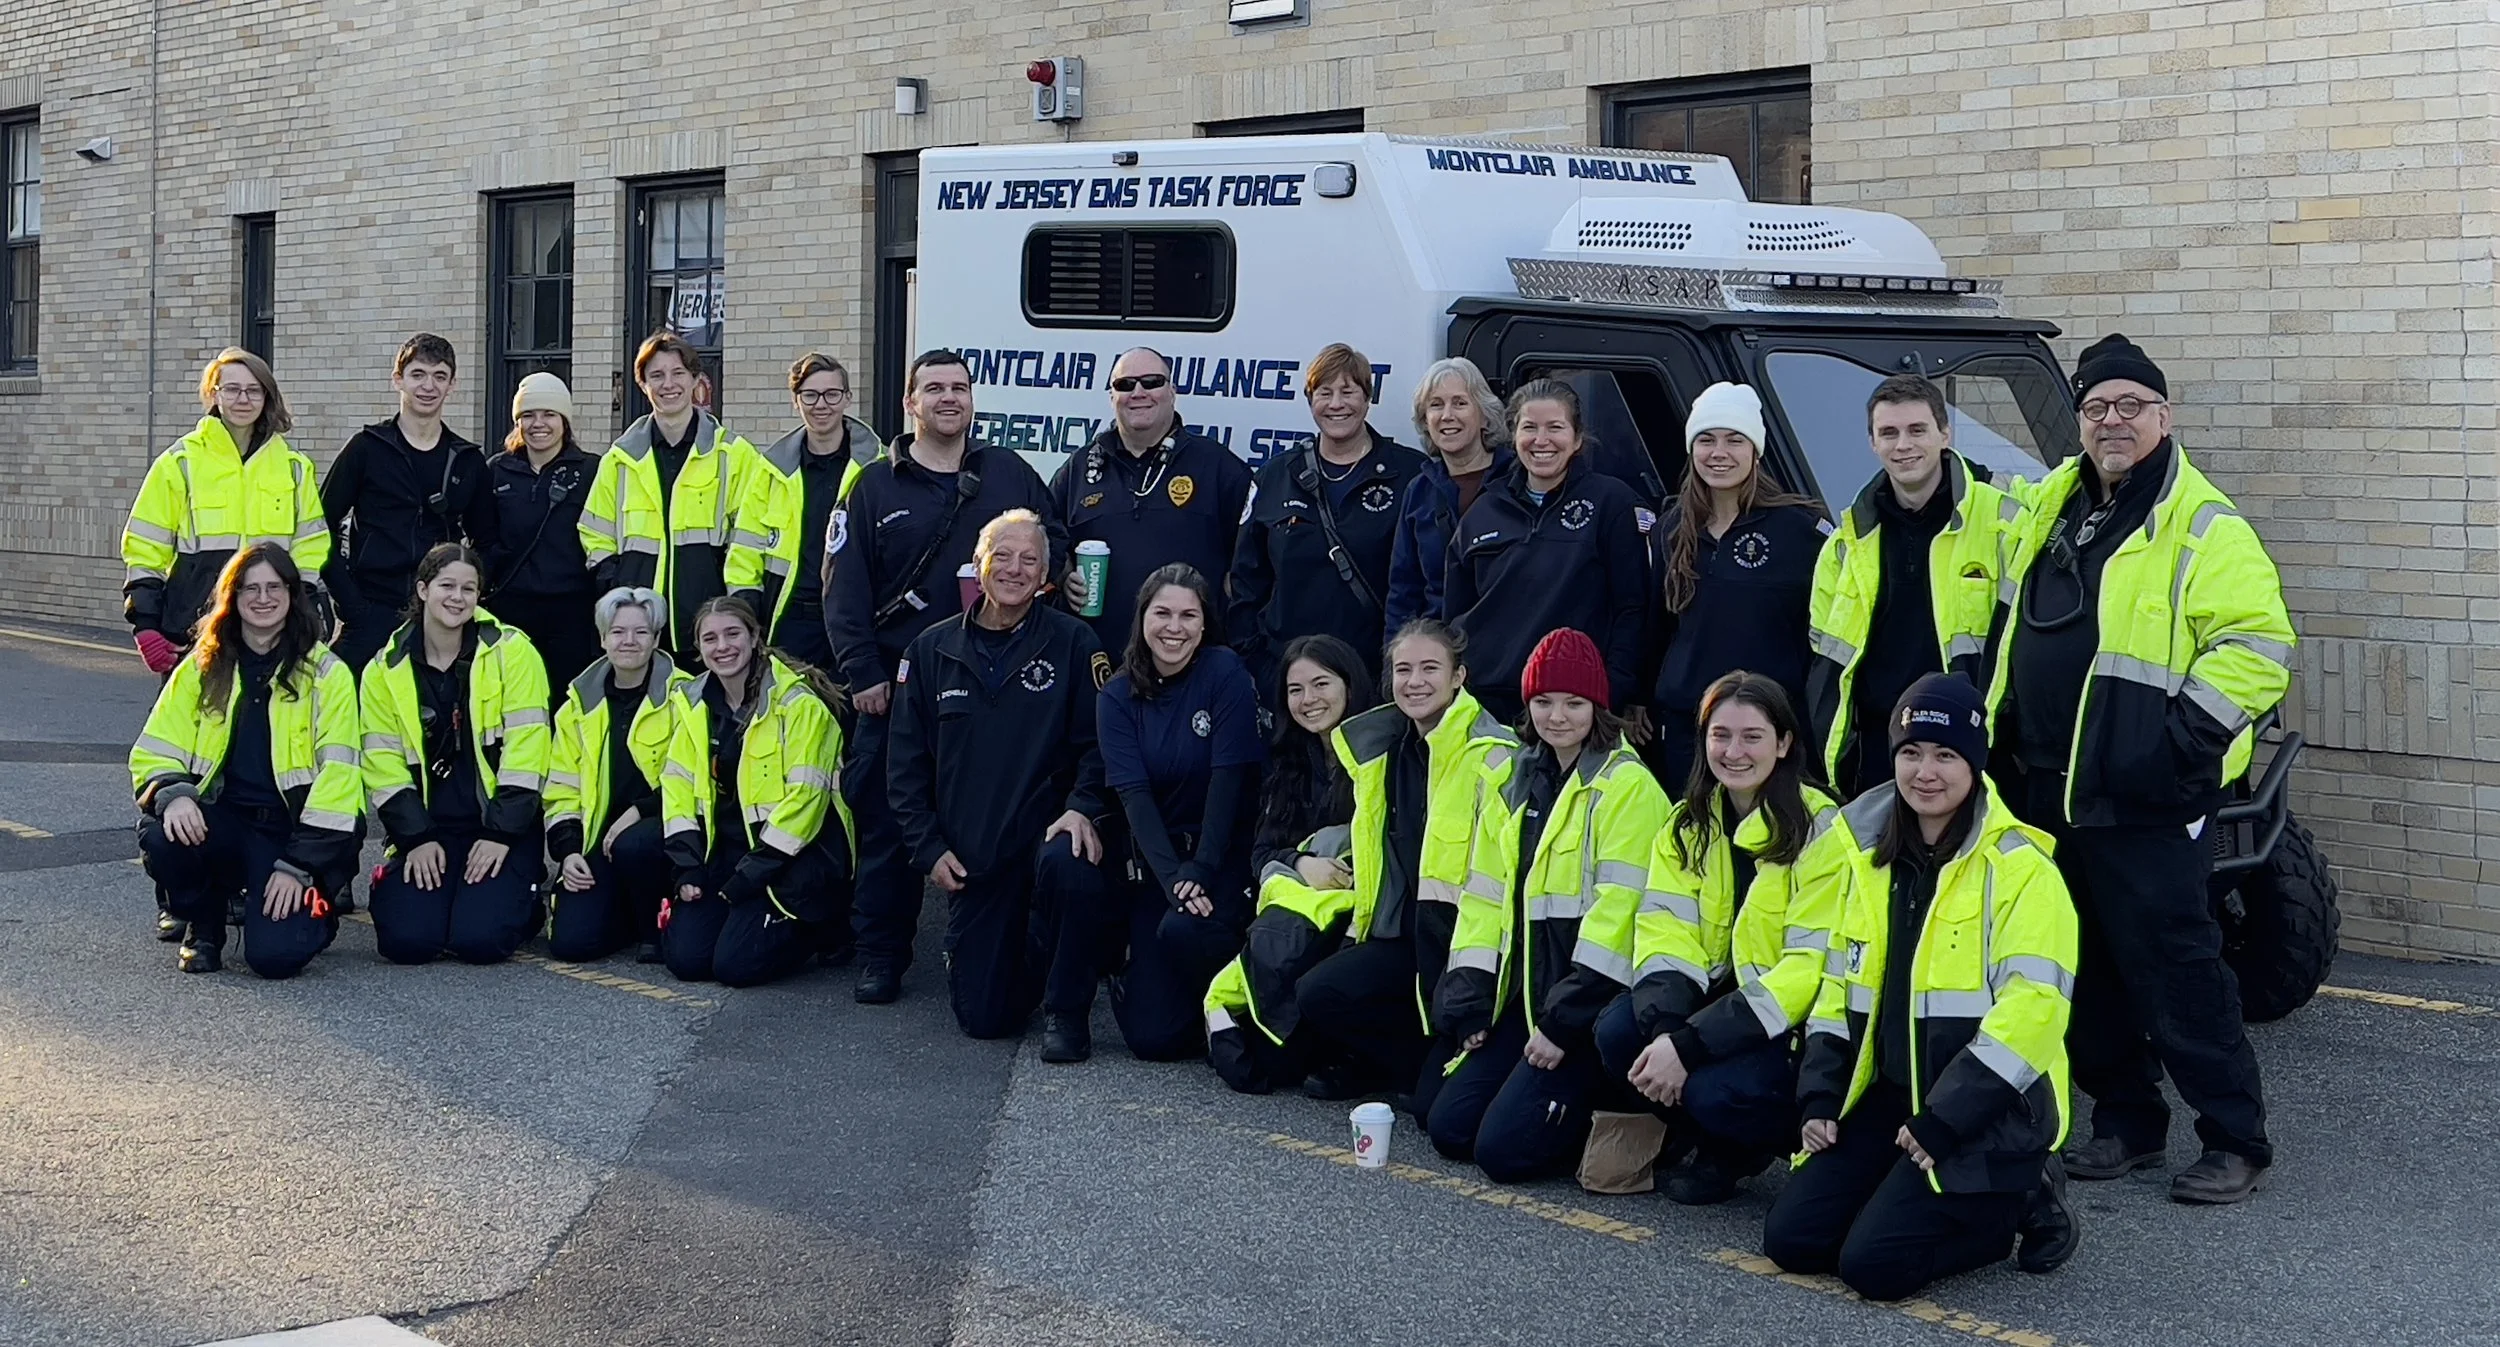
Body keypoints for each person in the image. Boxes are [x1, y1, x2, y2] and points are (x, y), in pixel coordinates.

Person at [1988, 334, 2296, 1205]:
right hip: (2045, 785)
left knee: (2176, 967)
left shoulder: (2202, 521)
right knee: (2081, 963)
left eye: (2131, 405)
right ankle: (2126, 1121)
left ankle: (2235, 1137)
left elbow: (2257, 647)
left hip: (2145, 794)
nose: (2112, 421)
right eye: (2095, 407)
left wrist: (2173, 747)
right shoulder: (2051, 502)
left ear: (2164, 414)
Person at [1763, 674, 2080, 1302]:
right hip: (1891, 1098)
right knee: (1792, 1242)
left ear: (1975, 764)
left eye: (1945, 755)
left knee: (1873, 1269)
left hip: (1980, 1112)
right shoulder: (1869, 859)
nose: (1925, 772)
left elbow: (2033, 1012)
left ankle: (2018, 1201)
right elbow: (1837, 989)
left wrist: (1945, 1120)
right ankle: (1903, 1193)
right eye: (1910, 752)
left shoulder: (2022, 871)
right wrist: (1820, 1096)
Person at [828, 350, 1061, 1006]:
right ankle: (881, 954)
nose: (949, 397)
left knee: (999, 816)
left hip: (995, 686)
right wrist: (863, 672)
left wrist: (1054, 582)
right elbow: (843, 589)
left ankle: (997, 942)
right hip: (899, 685)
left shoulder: (1008, 472)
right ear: (911, 402)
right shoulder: (872, 487)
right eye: (934, 388)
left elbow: (1055, 540)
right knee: (887, 821)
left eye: (959, 387)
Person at [1204, 620, 1515, 1108]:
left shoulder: (1492, 755)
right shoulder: (1383, 751)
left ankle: (1423, 1060)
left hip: (1462, 947)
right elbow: (1277, 852)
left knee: (1441, 1121)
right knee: (1314, 999)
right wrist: (1302, 865)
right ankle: (1395, 1063)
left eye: (1430, 669)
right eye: (1403, 670)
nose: (1414, 681)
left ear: (1459, 676)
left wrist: (1473, 991)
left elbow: (1496, 887)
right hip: (1395, 932)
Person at [1429, 628, 1668, 1182]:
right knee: (1445, 1127)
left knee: (1500, 1155)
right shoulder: (1514, 779)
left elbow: (1619, 921)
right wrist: (1471, 1002)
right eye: (1543, 701)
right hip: (1526, 999)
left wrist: (1562, 1026)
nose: (1557, 717)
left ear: (1598, 707)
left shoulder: (1629, 787)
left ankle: (1615, 1108)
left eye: (1574, 703)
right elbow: (1483, 899)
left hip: (1587, 1009)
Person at [1592, 671, 1839, 1204]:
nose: (1733, 751)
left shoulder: (1822, 829)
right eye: (1720, 735)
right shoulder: (1689, 823)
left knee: (1714, 1089)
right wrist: (1666, 1031)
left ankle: (1734, 1148)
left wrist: (1688, 1046)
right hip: (1716, 1003)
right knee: (1619, 1032)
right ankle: (1697, 1128)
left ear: (1784, 743)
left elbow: (1806, 971)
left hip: (1789, 1025)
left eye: (1752, 737)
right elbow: (1664, 929)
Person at [123, 349, 331, 946]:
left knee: (252, 752)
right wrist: (145, 624)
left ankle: (241, 883)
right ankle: (180, 900)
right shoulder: (180, 464)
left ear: (267, 398)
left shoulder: (293, 469)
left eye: (253, 390)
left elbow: (310, 551)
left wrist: (312, 613)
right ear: (212, 394)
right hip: (196, 636)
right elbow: (146, 547)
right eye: (231, 388)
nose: (243, 399)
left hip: (272, 631)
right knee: (188, 759)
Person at [887, 509, 1112, 1052]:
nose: (1014, 569)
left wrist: (1082, 806)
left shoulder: (1076, 644)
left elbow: (1101, 748)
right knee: (984, 1017)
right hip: (976, 861)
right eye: (1002, 556)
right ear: (978, 563)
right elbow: (904, 767)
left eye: (1029, 560)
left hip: (1047, 844)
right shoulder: (930, 651)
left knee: (1073, 867)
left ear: (1046, 576)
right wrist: (928, 849)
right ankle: (1033, 948)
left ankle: (1067, 1014)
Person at [131, 543, 360, 978]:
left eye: (275, 587)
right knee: (161, 834)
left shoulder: (327, 674)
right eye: (250, 588)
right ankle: (205, 924)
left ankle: (317, 906)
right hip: (223, 821)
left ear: (292, 595)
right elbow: (156, 746)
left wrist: (299, 866)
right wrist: (176, 795)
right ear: (231, 598)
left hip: (289, 835)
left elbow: (340, 780)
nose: (263, 598)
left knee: (274, 959)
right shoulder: (202, 666)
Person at [1805, 375, 2026, 797]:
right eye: (1889, 433)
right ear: (1872, 442)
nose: (1903, 445)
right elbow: (1822, 659)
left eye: (1917, 430)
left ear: (1945, 434)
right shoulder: (1847, 541)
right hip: (1878, 748)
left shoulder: (2005, 522)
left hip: (1971, 746)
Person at [1095, 564, 1265, 1062]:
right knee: (1153, 1040)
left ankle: (1231, 1004)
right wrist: (1173, 880)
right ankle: (1144, 982)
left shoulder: (1224, 671)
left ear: (1205, 623)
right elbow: (1134, 798)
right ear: (1142, 618)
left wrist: (1203, 869)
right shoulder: (1116, 696)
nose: (1175, 627)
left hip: (1222, 856)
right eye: (1162, 613)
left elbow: (1228, 781)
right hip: (1160, 863)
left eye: (1189, 615)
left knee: (1187, 930)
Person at [360, 543, 552, 965]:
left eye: (469, 588)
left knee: (480, 943)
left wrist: (500, 834)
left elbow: (529, 754)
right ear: (423, 589)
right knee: (407, 944)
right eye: (447, 586)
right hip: (430, 829)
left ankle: (524, 896)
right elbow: (382, 766)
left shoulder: (513, 652)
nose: (458, 598)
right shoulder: (383, 669)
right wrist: (416, 839)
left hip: (498, 827)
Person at [1203, 633, 1379, 1092]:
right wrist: (1301, 864)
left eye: (1321, 684)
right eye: (1295, 690)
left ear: (1350, 684)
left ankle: (1358, 1057)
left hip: (1362, 918)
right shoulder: (1288, 757)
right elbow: (1261, 854)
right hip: (1303, 918)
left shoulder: (1381, 751)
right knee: (1269, 1066)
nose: (1308, 699)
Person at [658, 597, 853, 987]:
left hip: (792, 860)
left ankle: (824, 926)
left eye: (733, 634)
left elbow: (806, 802)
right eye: (710, 638)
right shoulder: (693, 704)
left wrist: (750, 876)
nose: (722, 647)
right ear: (698, 648)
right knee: (687, 961)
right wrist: (688, 867)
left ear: (754, 637)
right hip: (729, 854)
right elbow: (677, 787)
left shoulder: (798, 705)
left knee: (735, 967)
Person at [1647, 382, 1828, 790]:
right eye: (1706, 440)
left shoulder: (1801, 531)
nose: (1719, 452)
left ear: (1755, 451)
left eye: (1734, 440)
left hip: (1767, 726)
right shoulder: (1670, 529)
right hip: (1688, 725)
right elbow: (1657, 628)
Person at [1443, 380, 1651, 723]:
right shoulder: (1483, 510)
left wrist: (1613, 693)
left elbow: (1633, 609)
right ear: (1514, 436)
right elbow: (1454, 614)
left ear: (1577, 438)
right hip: (1489, 705)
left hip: (1572, 707)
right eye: (1530, 428)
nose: (1541, 440)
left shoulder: (1612, 504)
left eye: (1555, 427)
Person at [1229, 343, 1427, 689]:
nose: (1336, 404)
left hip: (1374, 678)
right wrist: (1262, 668)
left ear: (1367, 398)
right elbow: (1246, 583)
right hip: (1290, 681)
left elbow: (1426, 583)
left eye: (1348, 392)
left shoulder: (1410, 474)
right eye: (1324, 392)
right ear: (1310, 400)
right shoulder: (1275, 477)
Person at [1053, 348, 1254, 654]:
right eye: (1124, 384)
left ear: (1172, 392)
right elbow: (1046, 538)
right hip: (1097, 660)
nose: (1138, 393)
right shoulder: (1079, 469)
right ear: (1111, 396)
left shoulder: (1218, 468)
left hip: (1190, 661)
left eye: (1152, 382)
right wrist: (1064, 575)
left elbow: (1253, 562)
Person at [578, 332, 761, 660]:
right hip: (639, 629)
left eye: (678, 373)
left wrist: (738, 606)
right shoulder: (620, 459)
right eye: (657, 376)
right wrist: (615, 583)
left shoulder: (734, 454)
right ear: (643, 384)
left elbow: (750, 537)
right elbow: (595, 532)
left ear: (695, 379)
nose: (668, 384)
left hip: (710, 628)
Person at [320, 334, 494, 669]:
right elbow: (320, 526)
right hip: (371, 611)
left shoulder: (467, 461)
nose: (429, 386)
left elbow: (487, 541)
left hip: (442, 616)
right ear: (398, 379)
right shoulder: (365, 449)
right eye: (418, 374)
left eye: (439, 376)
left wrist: (463, 595)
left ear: (452, 385)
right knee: (341, 693)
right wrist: (351, 604)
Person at [543, 587, 689, 964]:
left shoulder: (685, 696)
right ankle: (625, 912)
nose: (629, 641)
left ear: (656, 638)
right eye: (618, 631)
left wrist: (639, 810)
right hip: (598, 839)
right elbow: (561, 787)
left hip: (664, 833)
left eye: (641, 632)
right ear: (603, 638)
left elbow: (692, 779)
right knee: (571, 945)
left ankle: (653, 929)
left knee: (633, 845)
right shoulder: (578, 703)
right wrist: (568, 851)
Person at [726, 352, 885, 669]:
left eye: (831, 394)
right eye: (810, 395)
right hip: (790, 618)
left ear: (848, 398)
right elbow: (746, 547)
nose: (821, 404)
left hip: (857, 618)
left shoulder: (877, 467)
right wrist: (746, 609)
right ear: (795, 401)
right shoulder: (771, 470)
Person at [482, 372, 602, 691]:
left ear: (564, 420)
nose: (538, 424)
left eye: (549, 414)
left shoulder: (591, 470)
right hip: (511, 610)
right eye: (528, 415)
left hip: (572, 613)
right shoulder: (496, 470)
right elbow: (484, 538)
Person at [1385, 357, 1511, 631]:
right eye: (1436, 405)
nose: (1447, 415)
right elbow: (1403, 591)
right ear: (1425, 420)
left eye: (1460, 403)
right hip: (1437, 648)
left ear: (1485, 415)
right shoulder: (1419, 491)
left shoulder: (1516, 480)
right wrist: (1396, 654)